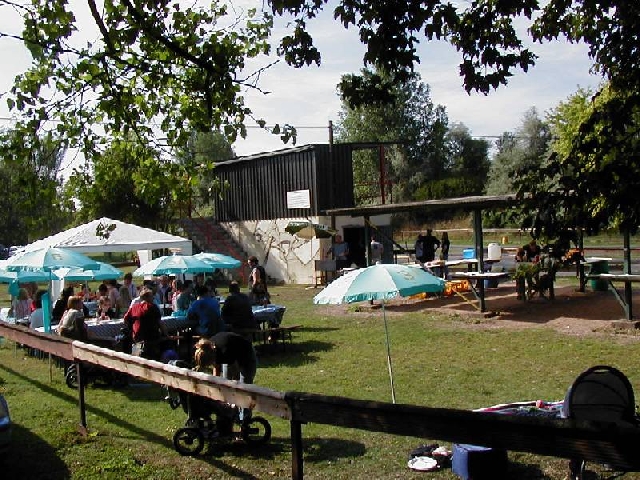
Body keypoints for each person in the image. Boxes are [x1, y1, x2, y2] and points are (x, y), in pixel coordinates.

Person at [123, 287, 168, 359]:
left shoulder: (134, 307)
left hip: (137, 340)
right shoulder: (152, 307)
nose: (153, 298)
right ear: (146, 298)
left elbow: (125, 320)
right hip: (150, 340)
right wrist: (167, 335)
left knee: (137, 359)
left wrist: (133, 328)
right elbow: (160, 323)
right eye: (151, 296)